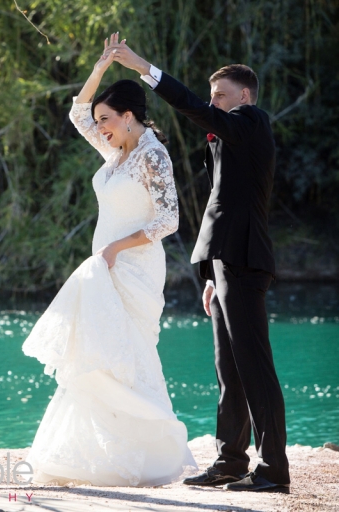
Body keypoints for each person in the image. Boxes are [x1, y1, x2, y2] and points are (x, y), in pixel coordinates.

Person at [106, 38, 290, 493]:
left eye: (221, 96)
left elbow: (191, 106)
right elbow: (222, 203)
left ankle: (273, 470)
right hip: (224, 262)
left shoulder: (253, 121)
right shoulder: (229, 138)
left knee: (255, 367)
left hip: (244, 260)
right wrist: (210, 275)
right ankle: (230, 461)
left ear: (244, 96)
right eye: (213, 97)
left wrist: (143, 67)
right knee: (229, 370)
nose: (214, 104)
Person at [22, 33, 197, 487]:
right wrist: (100, 68)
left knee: (129, 355)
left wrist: (117, 248)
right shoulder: (115, 152)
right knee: (97, 356)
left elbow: (170, 220)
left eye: (107, 119)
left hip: (134, 267)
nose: (99, 127)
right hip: (106, 268)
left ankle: (149, 453)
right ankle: (96, 457)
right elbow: (77, 113)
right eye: (100, 121)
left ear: (129, 116)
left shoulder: (152, 155)